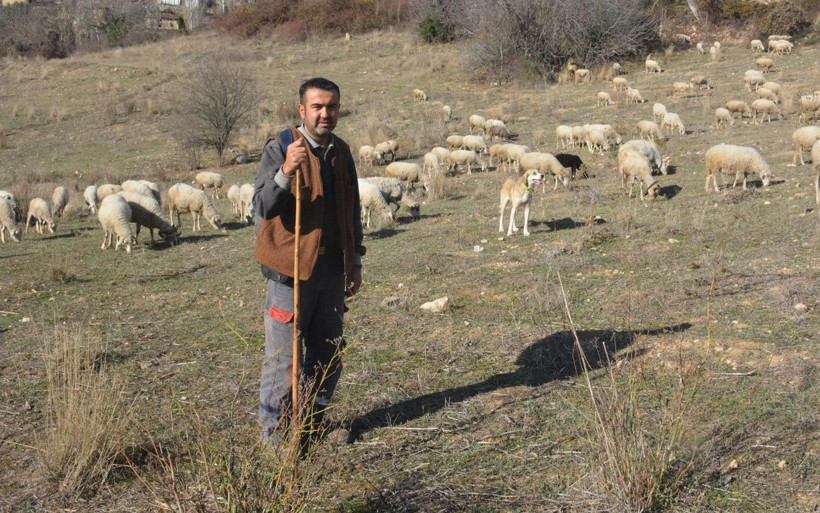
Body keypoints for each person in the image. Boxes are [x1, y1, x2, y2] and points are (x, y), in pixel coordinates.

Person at [253, 77, 364, 449]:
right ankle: (276, 440)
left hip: (331, 273)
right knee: (284, 363)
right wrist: (285, 172)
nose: (325, 114)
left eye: (331, 106)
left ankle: (313, 424)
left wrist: (355, 262)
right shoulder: (281, 146)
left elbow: (352, 211)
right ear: (302, 110)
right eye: (317, 107)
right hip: (291, 275)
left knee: (328, 355)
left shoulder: (342, 152)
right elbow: (261, 208)